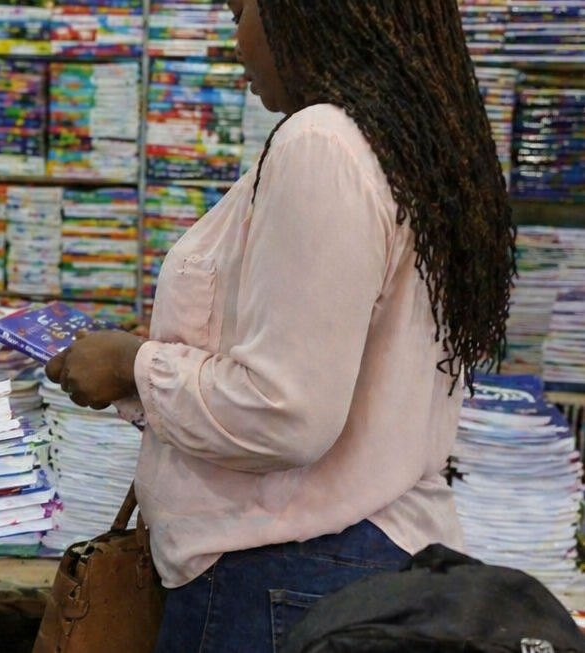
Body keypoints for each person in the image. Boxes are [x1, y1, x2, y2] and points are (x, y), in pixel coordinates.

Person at [45, 0, 516, 651]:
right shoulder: (408, 143)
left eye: (242, 8)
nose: (235, 35)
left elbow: (283, 410)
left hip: (280, 575)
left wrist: (131, 364)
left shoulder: (320, 142)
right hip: (359, 556)